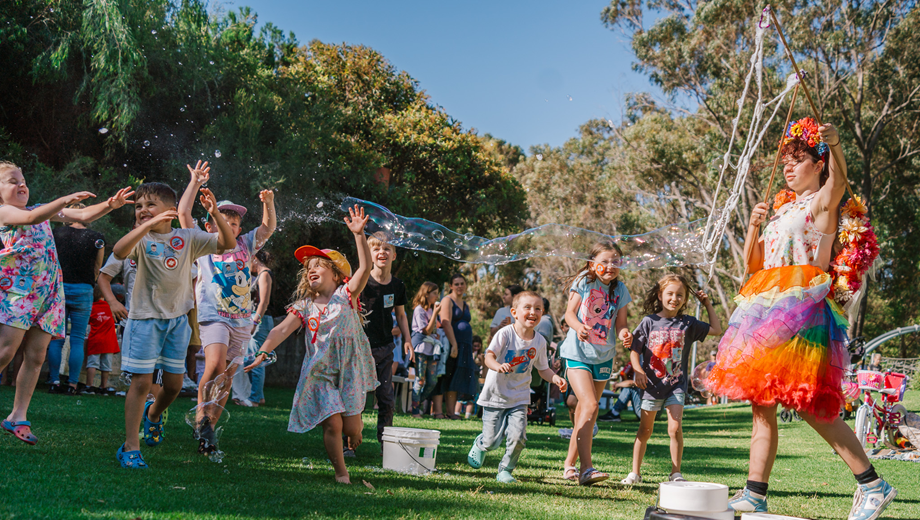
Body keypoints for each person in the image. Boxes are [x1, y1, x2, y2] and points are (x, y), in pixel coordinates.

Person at [707, 119, 896, 519]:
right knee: (761, 405)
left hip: (803, 310)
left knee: (811, 406)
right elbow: (754, 265)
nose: (788, 167)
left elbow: (840, 184)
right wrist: (754, 227)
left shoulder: (820, 204)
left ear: (818, 164)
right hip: (765, 306)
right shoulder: (781, 210)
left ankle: (874, 485)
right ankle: (754, 493)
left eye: (798, 160)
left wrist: (836, 145)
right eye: (785, 161)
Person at [0, 161, 133, 445]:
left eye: (22, 179)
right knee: (6, 351)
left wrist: (110, 205)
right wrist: (61, 200)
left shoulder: (42, 208)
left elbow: (84, 213)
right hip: (17, 293)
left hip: (48, 294)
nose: (21, 184)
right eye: (13, 181)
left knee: (36, 357)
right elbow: (32, 218)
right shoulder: (5, 212)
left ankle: (17, 416)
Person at [245, 205, 377, 484]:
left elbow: (365, 268)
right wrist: (263, 350)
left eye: (318, 266)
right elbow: (280, 329)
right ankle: (341, 473)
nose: (311, 271)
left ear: (337, 275)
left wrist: (359, 235)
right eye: (308, 269)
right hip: (321, 372)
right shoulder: (304, 306)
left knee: (351, 427)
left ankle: (356, 430)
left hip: (350, 368)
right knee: (332, 422)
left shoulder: (347, 295)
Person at [112, 182, 233, 469]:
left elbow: (227, 243)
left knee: (174, 385)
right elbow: (118, 251)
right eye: (139, 207)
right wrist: (148, 224)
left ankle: (153, 415)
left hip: (178, 323)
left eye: (150, 205)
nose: (142, 210)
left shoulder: (188, 237)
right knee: (142, 382)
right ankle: (130, 446)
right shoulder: (139, 239)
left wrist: (215, 214)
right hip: (144, 321)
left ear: (170, 211)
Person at [178, 161, 276, 451]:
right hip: (213, 315)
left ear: (240, 229)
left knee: (228, 375)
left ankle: (210, 428)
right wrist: (195, 183)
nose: (231, 227)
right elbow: (183, 213)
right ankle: (200, 415)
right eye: (224, 222)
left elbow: (268, 226)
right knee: (215, 363)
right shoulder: (203, 243)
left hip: (241, 320)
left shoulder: (246, 245)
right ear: (210, 225)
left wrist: (268, 203)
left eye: (235, 224)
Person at [621, 274, 722, 485]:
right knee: (645, 430)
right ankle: (635, 473)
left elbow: (717, 330)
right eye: (669, 294)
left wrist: (706, 303)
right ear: (660, 295)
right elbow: (634, 350)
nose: (674, 298)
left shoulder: (688, 323)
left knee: (674, 429)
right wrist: (638, 371)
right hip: (650, 386)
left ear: (685, 299)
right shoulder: (649, 321)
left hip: (676, 385)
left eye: (680, 295)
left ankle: (676, 472)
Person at [467, 291, 567, 483]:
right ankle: (481, 444)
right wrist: (497, 366)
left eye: (538, 308)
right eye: (527, 307)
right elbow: (488, 356)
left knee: (518, 436)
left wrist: (555, 379)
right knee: (492, 441)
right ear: (514, 312)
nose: (533, 312)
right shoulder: (504, 333)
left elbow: (543, 368)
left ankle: (505, 470)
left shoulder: (539, 341)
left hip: (520, 397)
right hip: (495, 395)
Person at [559, 241, 632, 485]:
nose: (610, 266)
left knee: (584, 412)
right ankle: (586, 469)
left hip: (603, 356)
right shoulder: (584, 281)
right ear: (593, 264)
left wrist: (624, 334)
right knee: (590, 405)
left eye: (615, 261)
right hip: (577, 352)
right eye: (605, 261)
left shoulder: (620, 289)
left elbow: (620, 323)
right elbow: (569, 314)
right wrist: (579, 326)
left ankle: (569, 465)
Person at [358, 234, 412, 450]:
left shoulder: (398, 286)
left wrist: (407, 339)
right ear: (369, 254)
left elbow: (401, 315)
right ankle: (349, 443)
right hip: (361, 349)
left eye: (387, 248)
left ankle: (385, 445)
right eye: (377, 248)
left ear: (394, 255)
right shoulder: (361, 281)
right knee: (357, 399)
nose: (382, 252)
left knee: (387, 399)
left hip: (386, 348)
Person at [46, 203, 106, 394]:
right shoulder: (97, 237)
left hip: (59, 288)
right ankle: (72, 384)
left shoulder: (57, 233)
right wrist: (90, 282)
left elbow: (49, 259)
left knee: (56, 338)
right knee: (78, 339)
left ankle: (54, 381)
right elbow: (98, 266)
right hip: (83, 289)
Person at [233, 249, 273, 406]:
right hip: (258, 319)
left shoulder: (265, 274)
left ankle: (255, 399)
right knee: (253, 358)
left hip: (260, 321)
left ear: (254, 258)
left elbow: (264, 302)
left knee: (256, 359)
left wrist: (254, 323)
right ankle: (259, 396)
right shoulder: (261, 275)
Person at [438, 273, 479, 420]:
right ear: (451, 286)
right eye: (456, 284)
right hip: (452, 344)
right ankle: (447, 411)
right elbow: (445, 322)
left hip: (465, 345)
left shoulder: (465, 303)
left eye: (462, 283)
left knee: (458, 378)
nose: (459, 286)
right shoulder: (447, 300)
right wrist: (454, 344)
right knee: (449, 376)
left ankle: (453, 412)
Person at [409, 281, 442, 417]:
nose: (437, 296)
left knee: (432, 381)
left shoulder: (430, 310)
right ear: (426, 294)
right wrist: (435, 313)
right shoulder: (419, 310)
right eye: (434, 293)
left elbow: (434, 329)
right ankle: (415, 411)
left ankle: (415, 403)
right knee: (420, 380)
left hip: (431, 350)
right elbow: (426, 331)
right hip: (420, 349)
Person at [84, 285, 120, 393]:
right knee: (106, 366)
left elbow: (88, 322)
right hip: (109, 341)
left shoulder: (91, 307)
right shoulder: (111, 307)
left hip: (96, 340)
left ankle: (89, 386)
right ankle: (103, 387)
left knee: (92, 364)